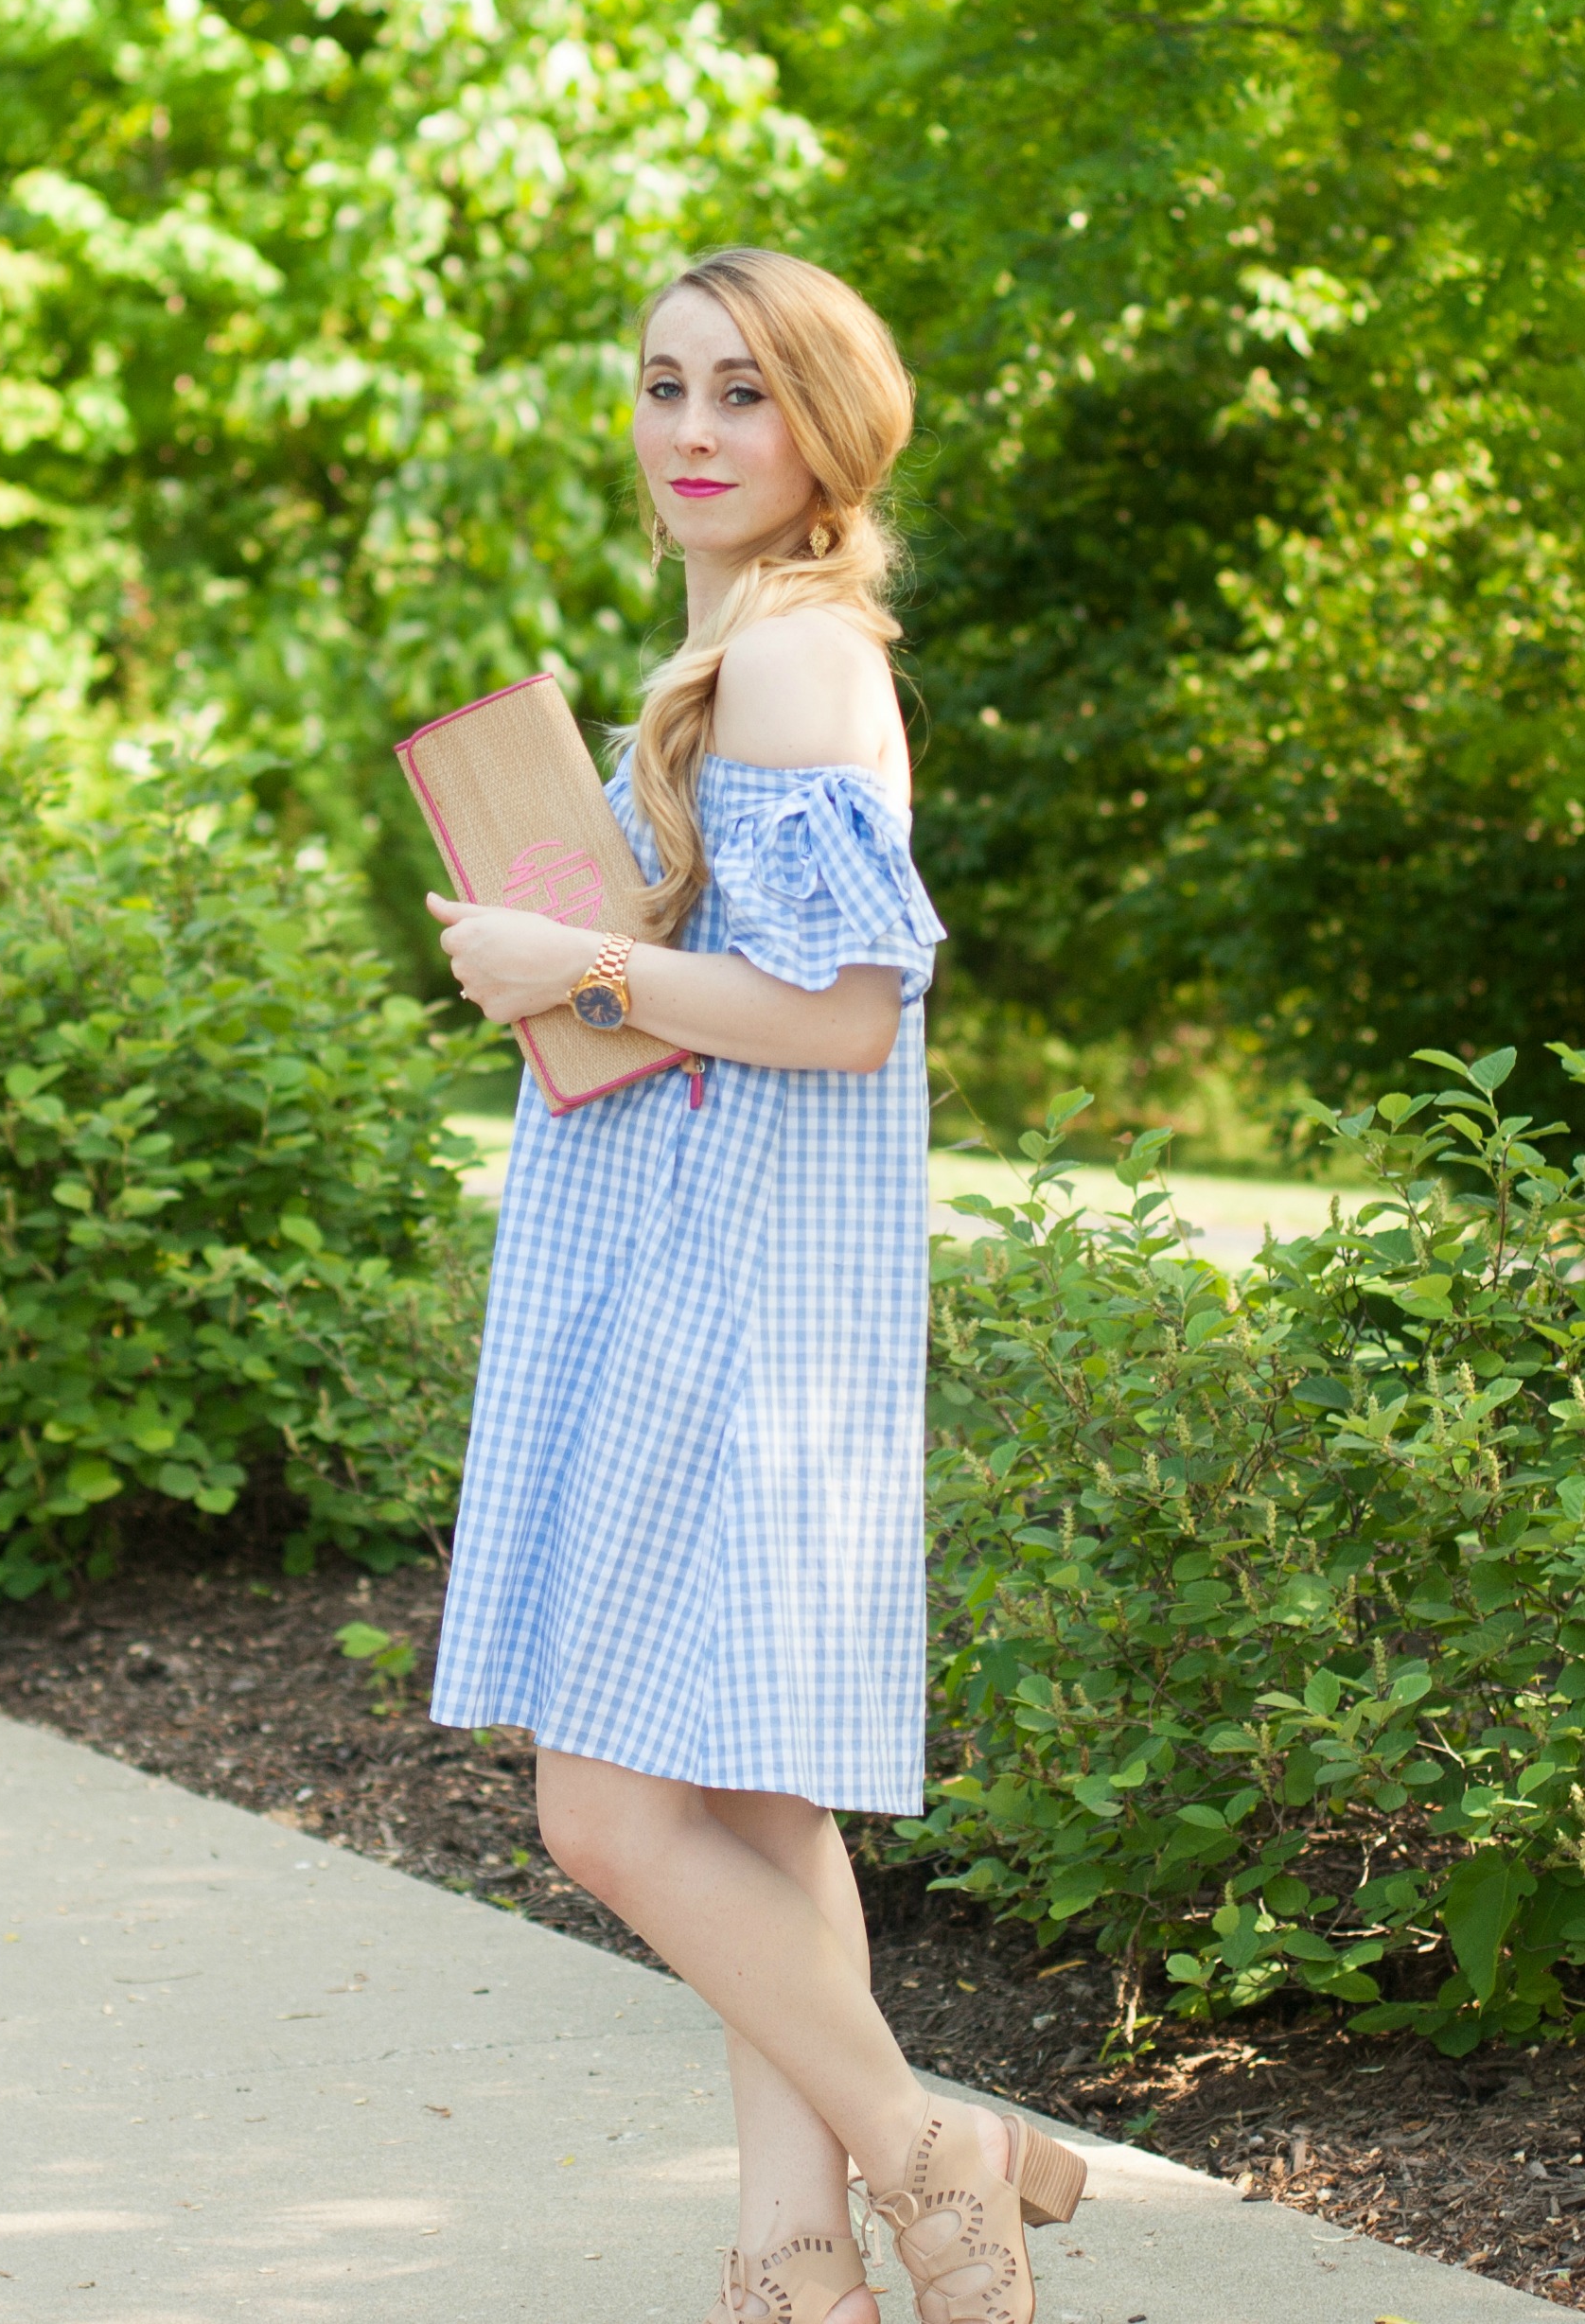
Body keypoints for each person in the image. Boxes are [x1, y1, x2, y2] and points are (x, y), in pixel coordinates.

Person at [424, 247, 1084, 2324]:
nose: (693, 433)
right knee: (751, 1795)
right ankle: (797, 2261)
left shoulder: (795, 662)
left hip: (732, 1291)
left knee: (605, 1811)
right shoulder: (739, 653)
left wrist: (576, 966)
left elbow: (841, 1015)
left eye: (742, 395)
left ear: (825, 431)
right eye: (662, 388)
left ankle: (922, 2150)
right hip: (717, 1263)